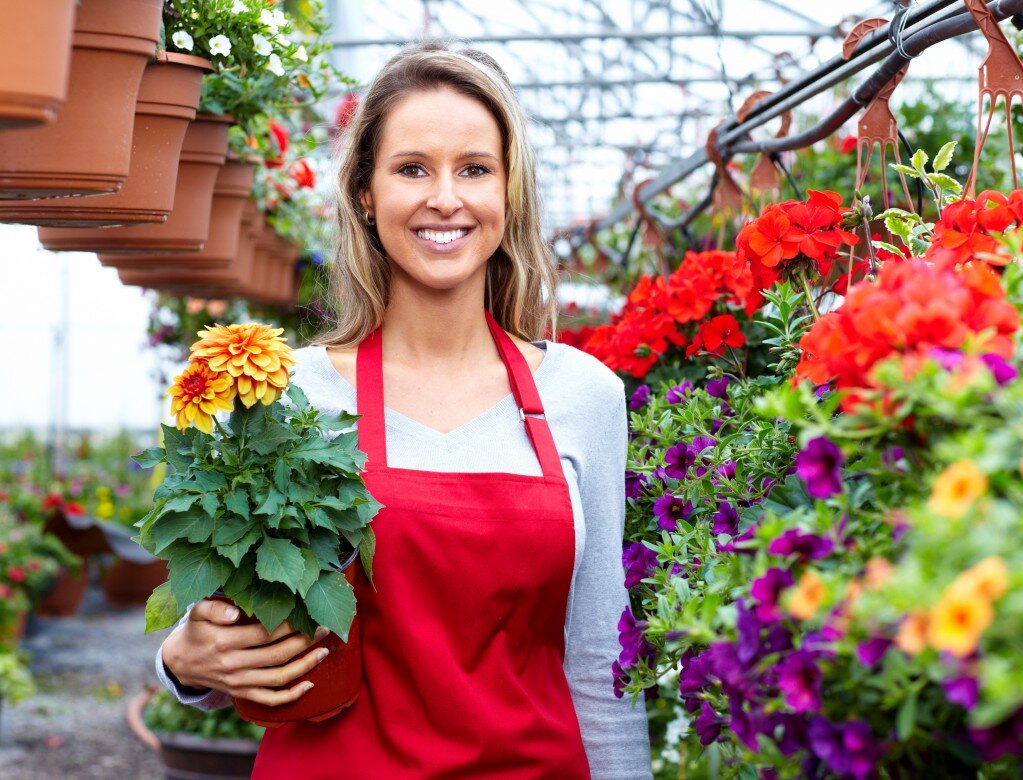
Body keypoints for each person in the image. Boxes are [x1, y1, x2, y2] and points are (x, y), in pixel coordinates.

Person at [155, 42, 652, 778]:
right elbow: (227, 611)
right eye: (412, 168)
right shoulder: (292, 394)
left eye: (475, 169)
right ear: (364, 191)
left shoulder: (583, 396)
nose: (444, 198)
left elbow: (598, 656)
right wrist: (182, 661)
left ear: (509, 192)